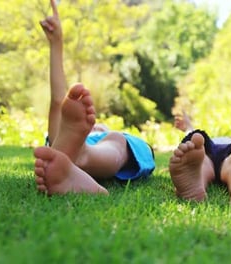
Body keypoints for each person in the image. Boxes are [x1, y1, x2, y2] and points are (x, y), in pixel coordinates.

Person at [33, 0, 155, 195]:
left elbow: (57, 100)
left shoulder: (104, 134)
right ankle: (76, 160)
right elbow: (58, 101)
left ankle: (77, 158)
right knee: (114, 140)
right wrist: (56, 43)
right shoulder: (105, 134)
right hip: (67, 146)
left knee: (113, 139)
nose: (95, 126)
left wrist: (57, 43)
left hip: (75, 147)